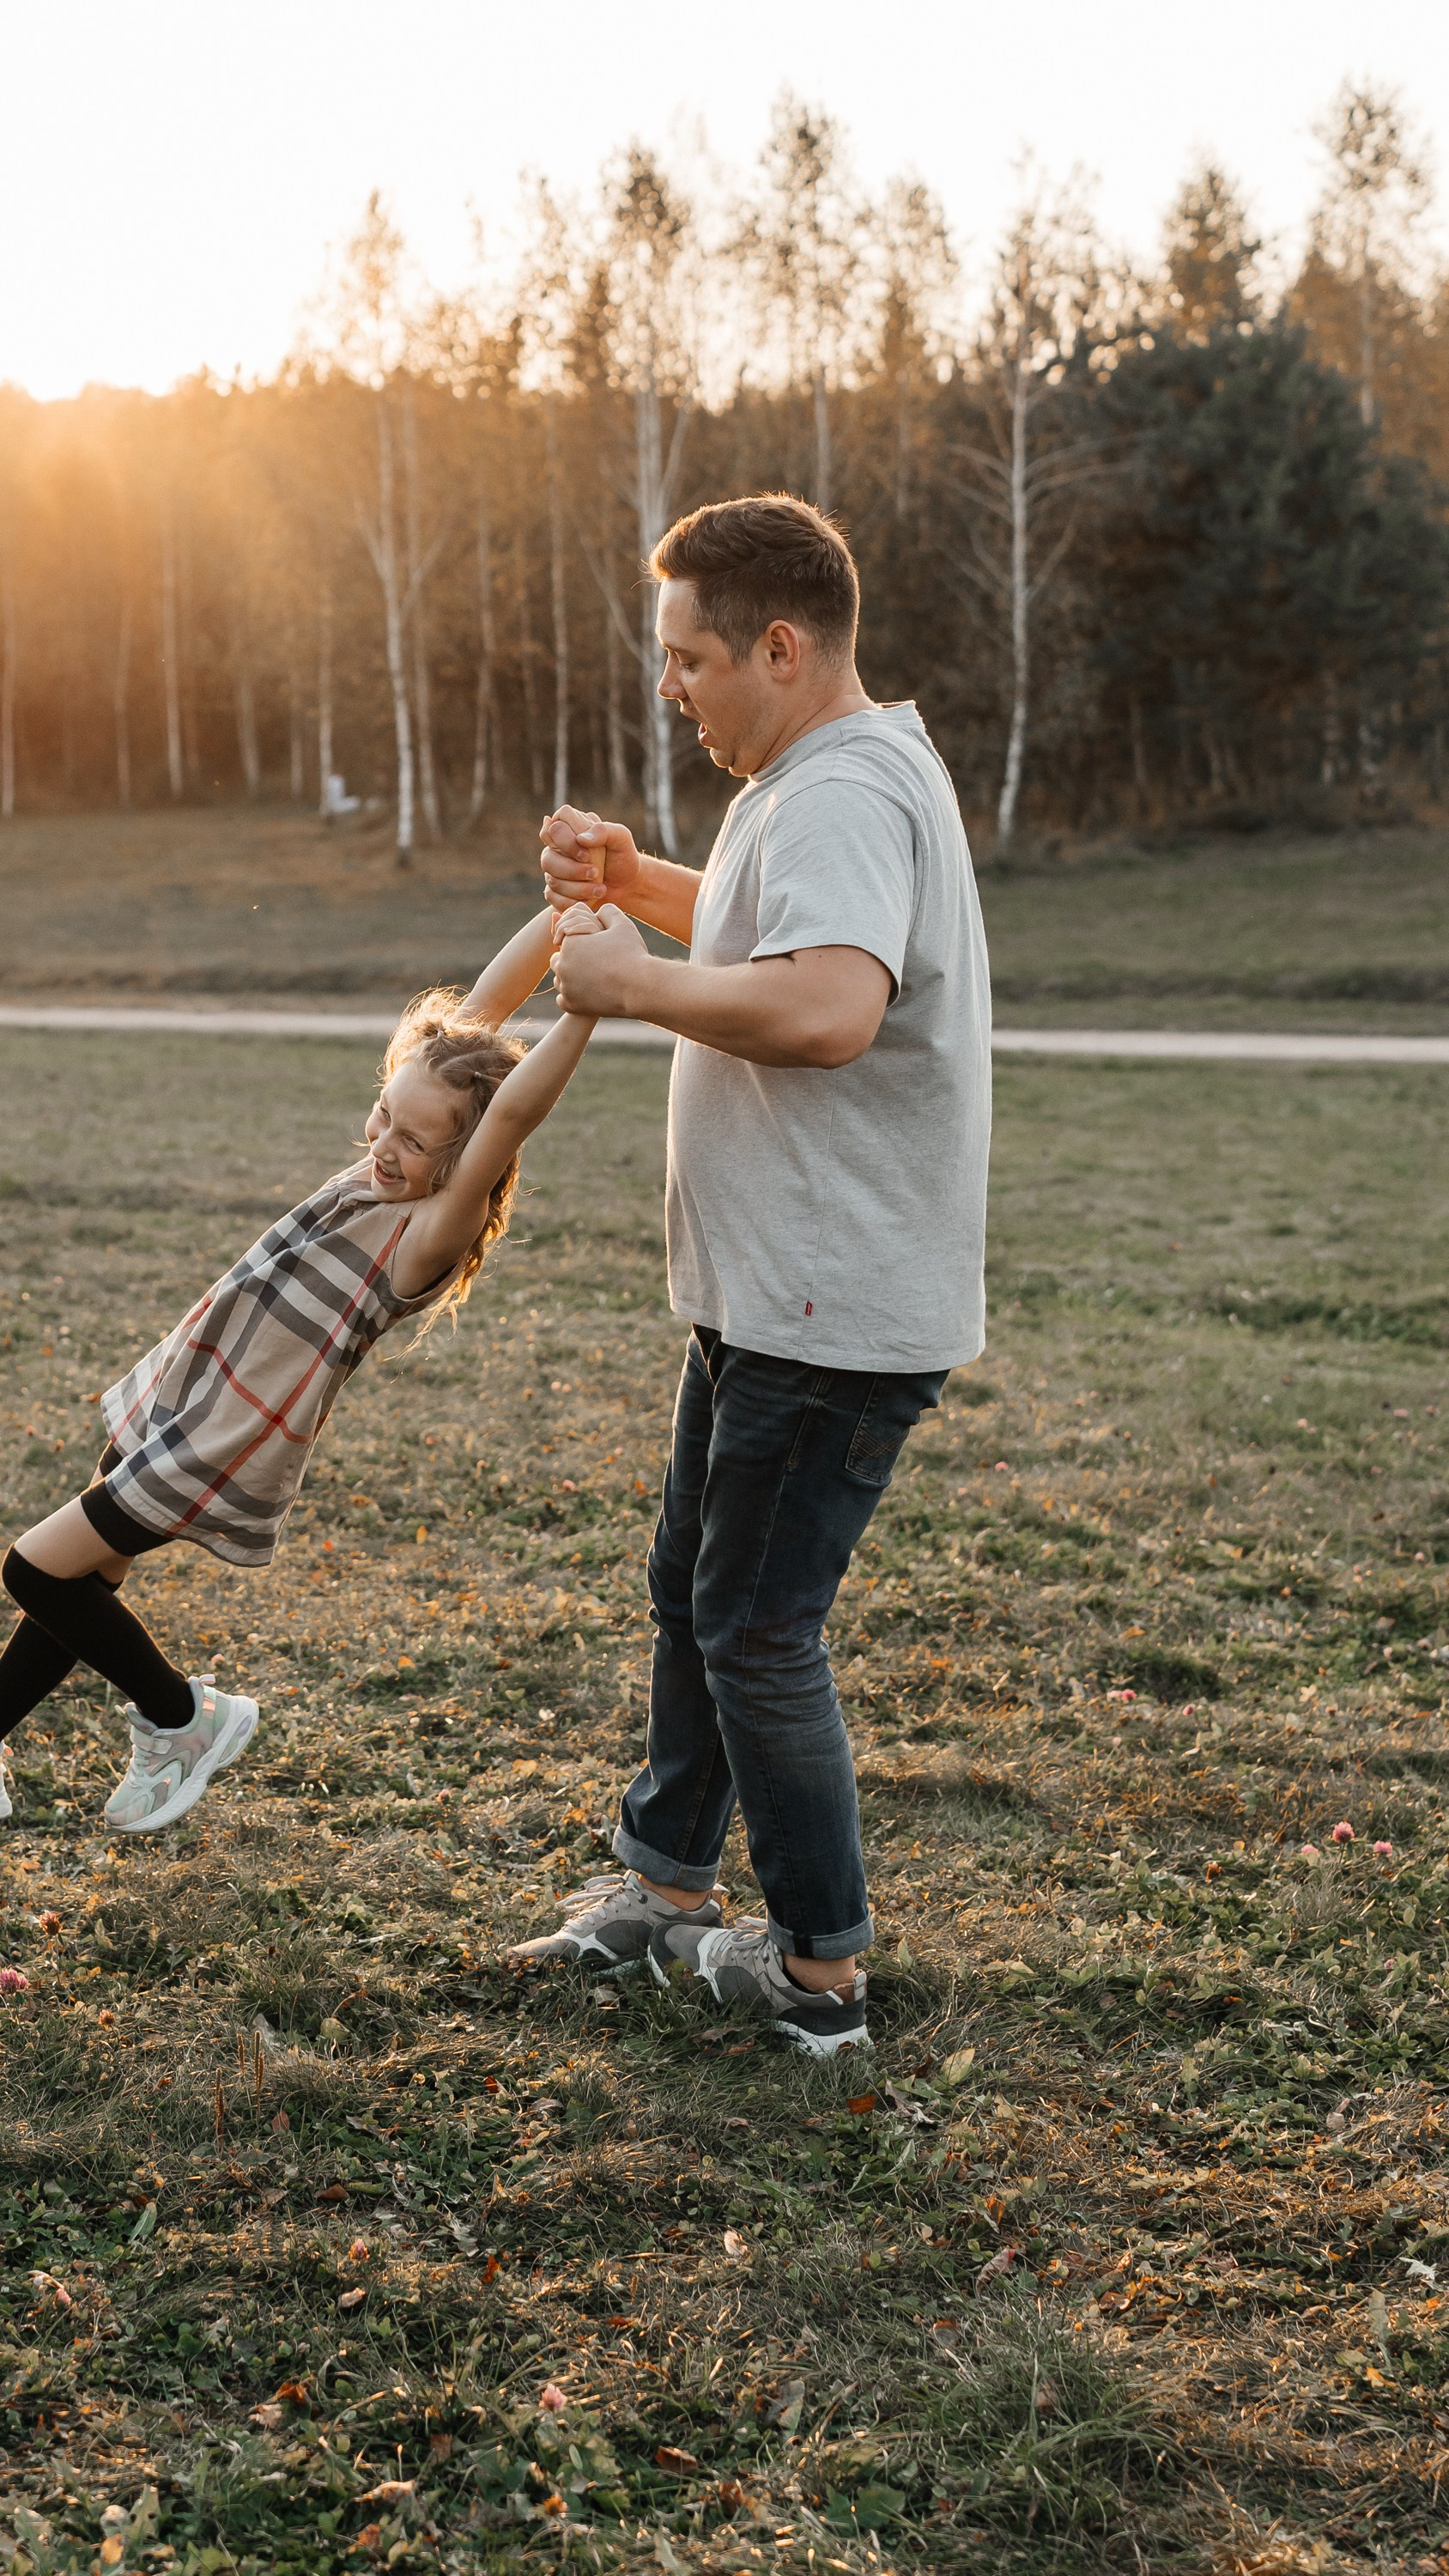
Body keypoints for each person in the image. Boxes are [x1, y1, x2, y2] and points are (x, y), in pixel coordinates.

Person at [510, 494, 991, 2059]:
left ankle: (818, 1974)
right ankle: (662, 1884)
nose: (674, 690)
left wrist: (637, 984)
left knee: (759, 1628)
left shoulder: (844, 793)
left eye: (691, 659)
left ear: (780, 648)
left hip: (824, 1307)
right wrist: (646, 879)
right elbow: (765, 936)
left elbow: (833, 1006)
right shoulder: (819, 778)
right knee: (696, 1597)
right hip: (765, 1292)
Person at [0, 904, 609, 1836]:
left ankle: (181, 1721)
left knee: (37, 1573)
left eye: (414, 1140)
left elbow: (513, 1106)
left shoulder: (421, 1233)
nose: (382, 1145)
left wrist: (592, 1004)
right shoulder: (382, 1172)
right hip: (196, 1395)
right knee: (83, 1581)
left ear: (465, 1162)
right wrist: (561, 912)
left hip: (229, 1438)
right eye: (383, 1116)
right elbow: (478, 1017)